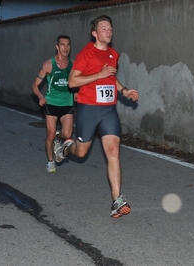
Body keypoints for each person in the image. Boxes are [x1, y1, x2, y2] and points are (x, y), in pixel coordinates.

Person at [54, 15, 139, 218]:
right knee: (81, 152)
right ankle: (66, 147)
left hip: (108, 109)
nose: (108, 31)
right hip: (88, 108)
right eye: (104, 28)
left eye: (110, 28)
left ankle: (117, 201)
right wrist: (98, 75)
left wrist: (124, 90)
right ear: (95, 33)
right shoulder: (86, 53)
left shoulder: (113, 54)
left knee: (113, 151)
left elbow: (111, 77)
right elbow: (72, 82)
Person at [31, 35, 75, 173]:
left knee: (67, 133)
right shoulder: (48, 65)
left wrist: (78, 92)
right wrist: (40, 96)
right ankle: (50, 162)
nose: (65, 48)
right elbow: (35, 85)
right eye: (62, 45)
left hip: (67, 102)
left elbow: (78, 83)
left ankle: (58, 138)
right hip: (51, 103)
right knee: (50, 133)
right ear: (57, 47)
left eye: (68, 45)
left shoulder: (74, 65)